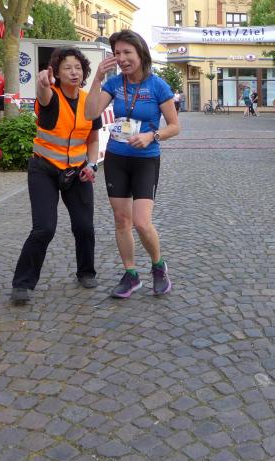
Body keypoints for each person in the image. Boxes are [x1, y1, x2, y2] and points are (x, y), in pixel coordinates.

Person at [87, 30, 181, 299]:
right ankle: (131, 275)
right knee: (121, 220)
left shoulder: (157, 85)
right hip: (116, 157)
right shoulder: (114, 84)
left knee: (141, 222)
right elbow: (90, 113)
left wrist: (152, 136)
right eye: (117, 53)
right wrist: (97, 78)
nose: (122, 58)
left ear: (141, 53)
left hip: (145, 159)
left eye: (127, 52)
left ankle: (158, 266)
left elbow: (175, 126)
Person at [10, 48, 103, 305]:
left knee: (84, 226)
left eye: (78, 68)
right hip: (44, 169)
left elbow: (93, 139)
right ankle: (22, 284)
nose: (74, 72)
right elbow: (44, 96)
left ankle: (86, 272)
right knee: (44, 228)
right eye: (67, 68)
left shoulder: (89, 101)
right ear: (57, 73)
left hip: (77, 171)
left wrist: (92, 165)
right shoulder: (51, 95)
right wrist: (42, 84)